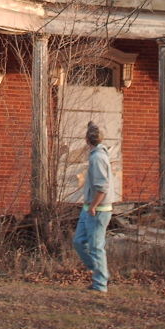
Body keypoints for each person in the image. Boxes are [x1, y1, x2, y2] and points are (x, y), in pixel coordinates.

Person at [72, 121, 113, 293]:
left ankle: (100, 284)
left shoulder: (98, 158)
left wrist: (93, 206)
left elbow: (102, 187)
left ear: (87, 139)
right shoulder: (96, 155)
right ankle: (101, 273)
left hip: (98, 210)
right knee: (79, 242)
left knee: (96, 247)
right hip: (89, 207)